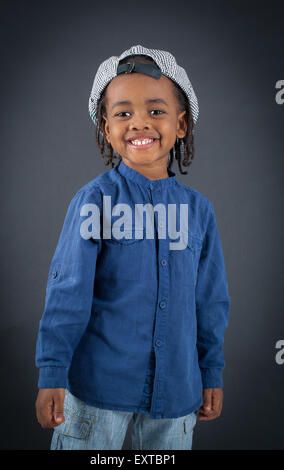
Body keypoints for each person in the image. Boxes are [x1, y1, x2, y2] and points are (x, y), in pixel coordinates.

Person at [35, 44, 231, 450]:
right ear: (107, 128)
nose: (139, 123)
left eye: (155, 111)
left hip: (177, 395)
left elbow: (210, 300)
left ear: (181, 124)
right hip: (95, 395)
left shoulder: (199, 212)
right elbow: (67, 291)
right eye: (123, 113)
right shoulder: (94, 202)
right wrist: (51, 372)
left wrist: (211, 371)